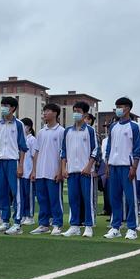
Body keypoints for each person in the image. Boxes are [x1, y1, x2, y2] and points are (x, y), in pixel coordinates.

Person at [104, 97, 140, 240]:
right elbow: (109, 147)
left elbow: (138, 148)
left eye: (120, 106)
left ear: (128, 108)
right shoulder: (113, 127)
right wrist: (107, 164)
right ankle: (116, 227)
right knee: (114, 198)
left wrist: (134, 167)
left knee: (131, 199)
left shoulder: (134, 126)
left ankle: (132, 228)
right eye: (116, 106)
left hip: (127, 167)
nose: (118, 109)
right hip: (113, 166)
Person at [0, 96, 28, 234]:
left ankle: (17, 224)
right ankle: (5, 221)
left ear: (13, 108)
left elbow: (23, 147)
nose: (3, 107)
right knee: (1, 192)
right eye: (2, 105)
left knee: (16, 193)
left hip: (13, 161)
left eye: (6, 105)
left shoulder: (18, 125)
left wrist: (21, 165)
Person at [61, 101, 99, 238]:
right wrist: (64, 168)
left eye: (79, 111)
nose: (76, 113)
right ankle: (74, 226)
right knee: (73, 199)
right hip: (71, 171)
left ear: (85, 114)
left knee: (87, 199)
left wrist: (89, 166)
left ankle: (88, 226)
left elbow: (95, 150)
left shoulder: (90, 130)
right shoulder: (67, 131)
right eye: (74, 110)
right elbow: (63, 151)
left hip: (85, 172)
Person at [30, 104, 65, 236]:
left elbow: (63, 153)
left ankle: (57, 224)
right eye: (44, 111)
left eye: (48, 111)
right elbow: (36, 152)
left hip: (53, 171)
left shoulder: (61, 131)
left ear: (55, 113)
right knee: (42, 199)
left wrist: (60, 170)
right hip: (40, 172)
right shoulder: (41, 132)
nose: (45, 113)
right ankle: (43, 224)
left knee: (55, 199)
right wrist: (34, 171)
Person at [20, 117, 37, 226]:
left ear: (29, 127)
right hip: (21, 173)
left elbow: (34, 156)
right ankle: (24, 215)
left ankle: (30, 216)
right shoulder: (22, 139)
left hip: (29, 172)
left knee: (29, 195)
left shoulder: (32, 140)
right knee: (22, 196)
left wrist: (33, 171)